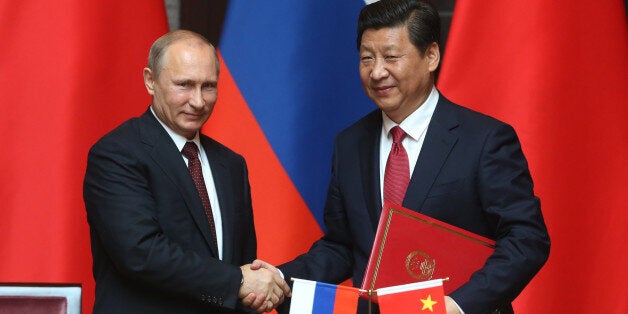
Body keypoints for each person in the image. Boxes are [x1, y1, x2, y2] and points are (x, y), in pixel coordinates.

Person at [254, 1, 550, 313]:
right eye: (367, 58)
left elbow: (527, 239)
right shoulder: (349, 144)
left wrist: (458, 305)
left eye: (391, 57)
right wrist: (280, 277)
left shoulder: (484, 139)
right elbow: (343, 245)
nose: (377, 71)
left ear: (431, 55)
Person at [83, 30, 290, 314]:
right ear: (150, 81)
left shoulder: (231, 165)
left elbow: (243, 263)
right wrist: (238, 281)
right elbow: (141, 253)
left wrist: (257, 286)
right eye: (184, 85)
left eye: (208, 86)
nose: (198, 101)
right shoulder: (117, 154)